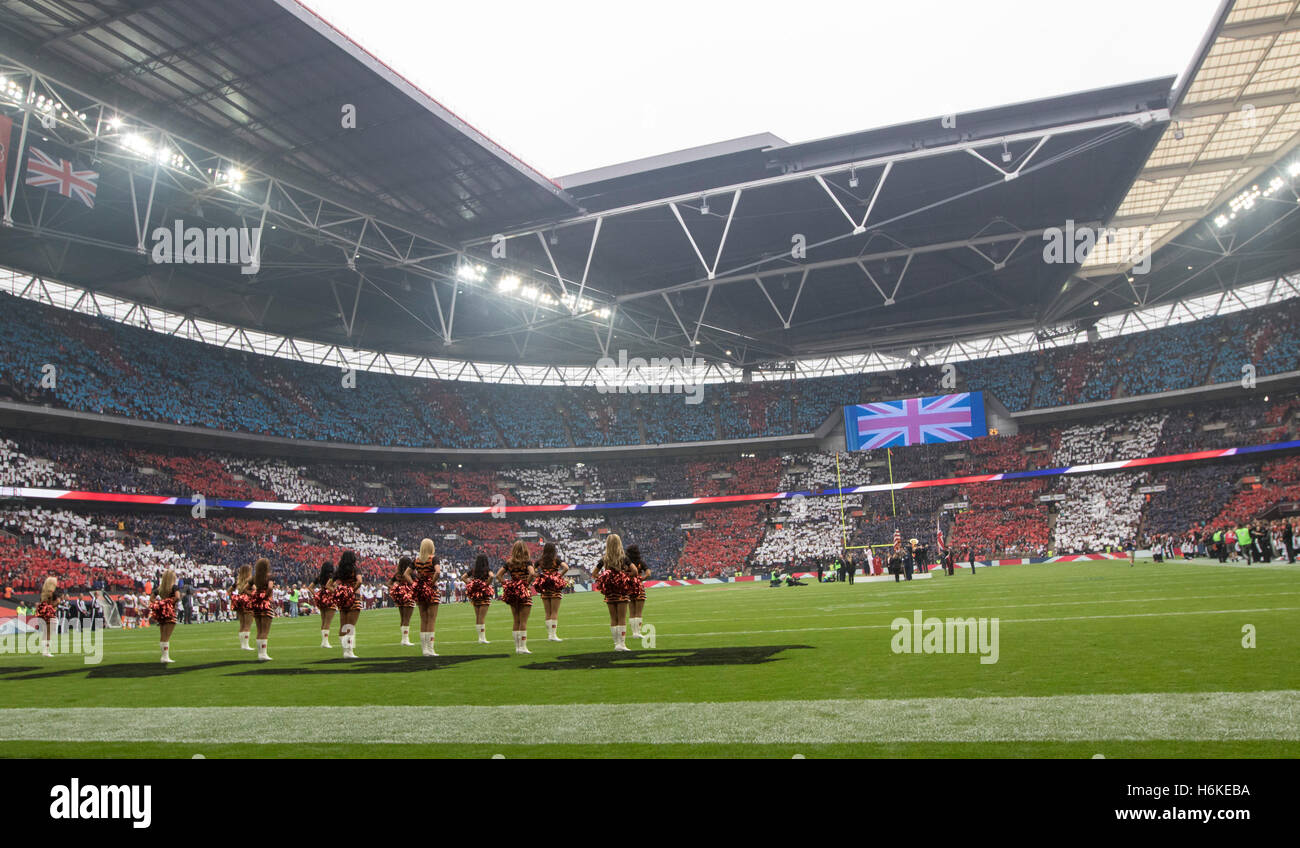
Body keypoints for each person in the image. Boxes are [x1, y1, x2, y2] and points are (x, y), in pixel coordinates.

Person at [593, 534, 633, 651]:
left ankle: (616, 644)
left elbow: (594, 573)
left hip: (610, 592)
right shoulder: (623, 558)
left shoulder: (604, 559)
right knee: (621, 618)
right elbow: (635, 571)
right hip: (621, 591)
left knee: (613, 618)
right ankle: (622, 644)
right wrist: (624, 575)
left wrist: (604, 578)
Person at [495, 540, 535, 654]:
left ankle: (517, 648)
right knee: (523, 622)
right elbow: (532, 573)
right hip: (524, 592)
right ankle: (523, 647)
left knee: (516, 620)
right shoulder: (527, 562)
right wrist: (526, 584)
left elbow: (498, 575)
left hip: (513, 592)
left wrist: (507, 585)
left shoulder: (509, 563)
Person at [330, 551, 362, 659]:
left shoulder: (339, 571)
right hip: (354, 599)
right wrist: (351, 590)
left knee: (343, 625)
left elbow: (328, 585)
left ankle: (345, 651)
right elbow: (360, 581)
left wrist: (338, 592)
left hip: (343, 600)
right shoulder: (355, 569)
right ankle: (349, 651)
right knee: (350, 626)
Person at [533, 542, 568, 642]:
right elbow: (566, 567)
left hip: (544, 586)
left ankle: (549, 635)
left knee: (547, 612)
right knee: (554, 612)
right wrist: (558, 576)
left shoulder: (540, 561)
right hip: (554, 586)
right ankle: (553, 635)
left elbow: (532, 571)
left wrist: (540, 576)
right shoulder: (555, 560)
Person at [412, 538, 441, 657]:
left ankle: (424, 650)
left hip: (420, 590)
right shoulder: (434, 558)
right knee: (431, 620)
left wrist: (415, 583)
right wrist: (431, 583)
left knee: (423, 620)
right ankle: (431, 649)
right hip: (431, 590)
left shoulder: (417, 560)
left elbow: (406, 574)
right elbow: (438, 572)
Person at [148, 569, 180, 664]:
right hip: (170, 612)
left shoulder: (160, 588)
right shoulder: (174, 587)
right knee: (167, 636)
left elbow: (151, 598)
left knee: (163, 635)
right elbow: (177, 597)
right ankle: (165, 657)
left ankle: (164, 656)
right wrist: (169, 603)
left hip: (162, 613)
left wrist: (161, 603)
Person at [247, 557, 276, 661]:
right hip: (265, 603)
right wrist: (266, 596)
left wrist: (254, 594)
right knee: (265, 631)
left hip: (256, 603)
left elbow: (245, 588)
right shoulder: (269, 576)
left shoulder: (254, 578)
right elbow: (270, 587)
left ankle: (260, 653)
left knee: (259, 630)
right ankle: (263, 654)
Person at [464, 553, 496, 643]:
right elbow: (492, 576)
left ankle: (480, 637)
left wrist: (470, 584)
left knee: (478, 616)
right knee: (482, 617)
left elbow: (463, 577)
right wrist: (486, 584)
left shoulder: (474, 570)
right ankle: (482, 638)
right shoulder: (487, 570)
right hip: (484, 595)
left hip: (475, 595)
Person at [389, 556, 416, 646]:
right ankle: (405, 640)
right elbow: (415, 583)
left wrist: (395, 588)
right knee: (407, 618)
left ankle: (403, 639)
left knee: (403, 618)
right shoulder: (411, 574)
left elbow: (389, 583)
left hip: (399, 597)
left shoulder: (397, 574)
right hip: (408, 596)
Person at [310, 560, 336, 648]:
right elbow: (333, 587)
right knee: (328, 622)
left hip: (321, 598)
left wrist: (316, 595)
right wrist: (335, 592)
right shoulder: (332, 577)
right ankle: (325, 642)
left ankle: (323, 641)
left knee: (323, 621)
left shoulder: (319, 577)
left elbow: (310, 587)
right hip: (330, 598)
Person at [626, 544, 649, 639]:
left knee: (631, 611)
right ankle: (637, 632)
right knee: (638, 612)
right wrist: (643, 578)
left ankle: (633, 632)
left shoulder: (626, 562)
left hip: (628, 586)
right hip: (638, 585)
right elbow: (648, 572)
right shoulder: (641, 562)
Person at [232, 564, 255, 651]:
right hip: (248, 602)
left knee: (242, 624)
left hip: (240, 602)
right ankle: (246, 645)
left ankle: (243, 644)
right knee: (248, 624)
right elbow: (254, 589)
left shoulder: (238, 581)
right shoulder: (249, 580)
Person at [35, 576, 59, 658]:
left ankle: (44, 650)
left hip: (43, 614)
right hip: (50, 614)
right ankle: (46, 650)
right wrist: (58, 602)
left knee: (45, 633)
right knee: (49, 633)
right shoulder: (51, 593)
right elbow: (53, 604)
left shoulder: (43, 593)